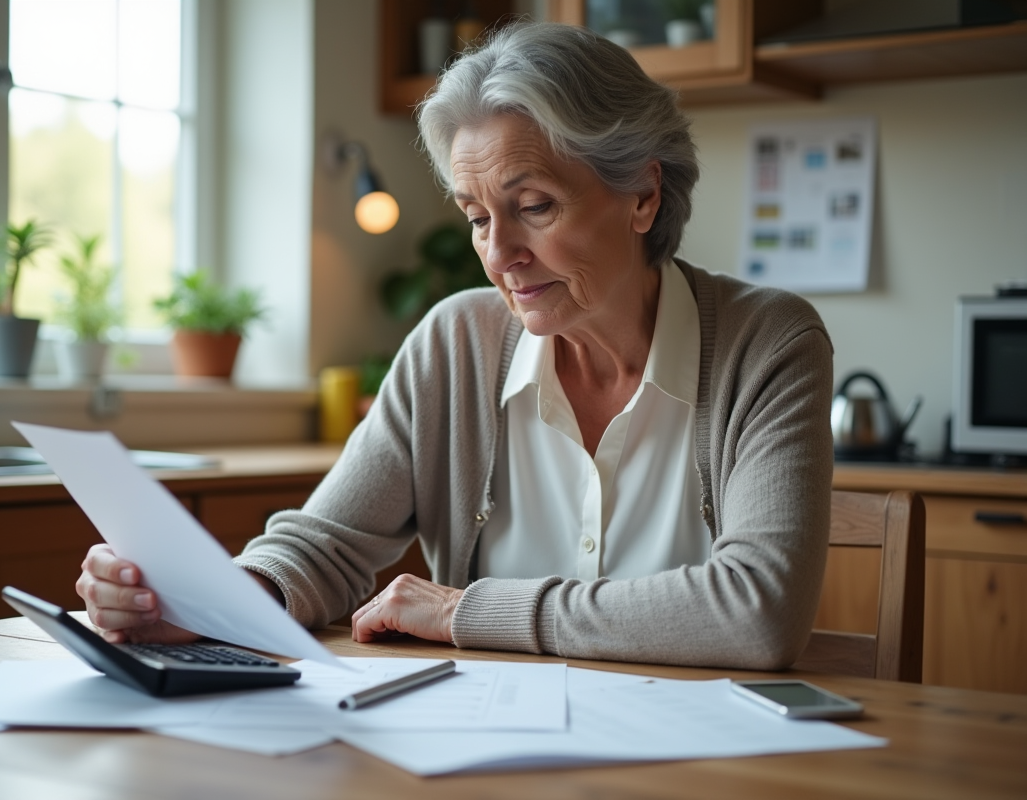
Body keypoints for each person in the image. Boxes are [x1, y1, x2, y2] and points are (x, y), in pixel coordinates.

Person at [77, 22, 834, 670]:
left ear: (643, 193)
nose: (500, 252)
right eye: (477, 217)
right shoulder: (456, 342)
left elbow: (756, 612)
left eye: (533, 206)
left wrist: (466, 611)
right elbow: (327, 546)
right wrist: (210, 604)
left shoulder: (767, 343)